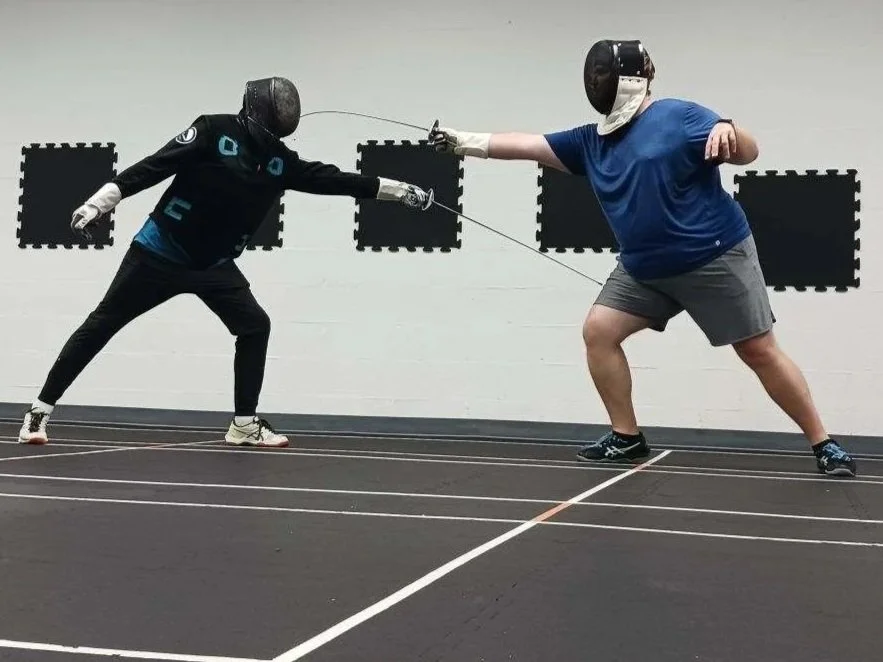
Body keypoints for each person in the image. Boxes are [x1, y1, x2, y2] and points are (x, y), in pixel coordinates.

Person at [429, 40, 857, 477]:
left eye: (603, 75)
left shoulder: (677, 115)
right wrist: (464, 142)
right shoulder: (589, 142)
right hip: (644, 268)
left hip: (713, 256)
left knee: (758, 350)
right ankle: (627, 438)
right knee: (599, 330)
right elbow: (526, 145)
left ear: (630, 79)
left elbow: (747, 151)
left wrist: (729, 128)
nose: (596, 83)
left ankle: (824, 444)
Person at [19, 76, 433, 449]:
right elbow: (156, 165)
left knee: (255, 326)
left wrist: (400, 191)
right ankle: (38, 412)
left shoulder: (279, 162)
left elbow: (337, 180)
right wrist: (99, 203)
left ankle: (243, 425)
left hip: (214, 265)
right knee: (102, 324)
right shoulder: (212, 130)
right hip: (159, 251)